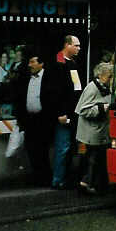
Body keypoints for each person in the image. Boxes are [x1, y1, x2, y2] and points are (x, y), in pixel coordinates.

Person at [15, 53, 65, 186]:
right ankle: (36, 176)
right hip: (29, 120)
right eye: (29, 62)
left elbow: (54, 99)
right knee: (31, 149)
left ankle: (45, 177)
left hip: (43, 120)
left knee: (42, 150)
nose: (29, 65)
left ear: (41, 64)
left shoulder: (49, 78)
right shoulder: (26, 78)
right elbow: (20, 98)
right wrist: (21, 119)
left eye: (33, 62)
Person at [75, 62, 114, 194]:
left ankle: (93, 184)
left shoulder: (103, 87)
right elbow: (83, 110)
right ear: (101, 76)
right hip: (90, 133)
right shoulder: (92, 88)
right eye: (109, 76)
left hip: (98, 131)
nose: (111, 79)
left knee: (95, 159)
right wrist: (101, 108)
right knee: (91, 160)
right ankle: (86, 185)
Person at [53, 34, 83, 189]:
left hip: (73, 112)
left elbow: (76, 88)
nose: (79, 48)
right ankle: (58, 180)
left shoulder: (72, 63)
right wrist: (61, 112)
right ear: (67, 45)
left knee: (69, 147)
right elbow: (57, 92)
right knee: (63, 147)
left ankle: (65, 179)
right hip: (65, 113)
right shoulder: (59, 62)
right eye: (76, 45)